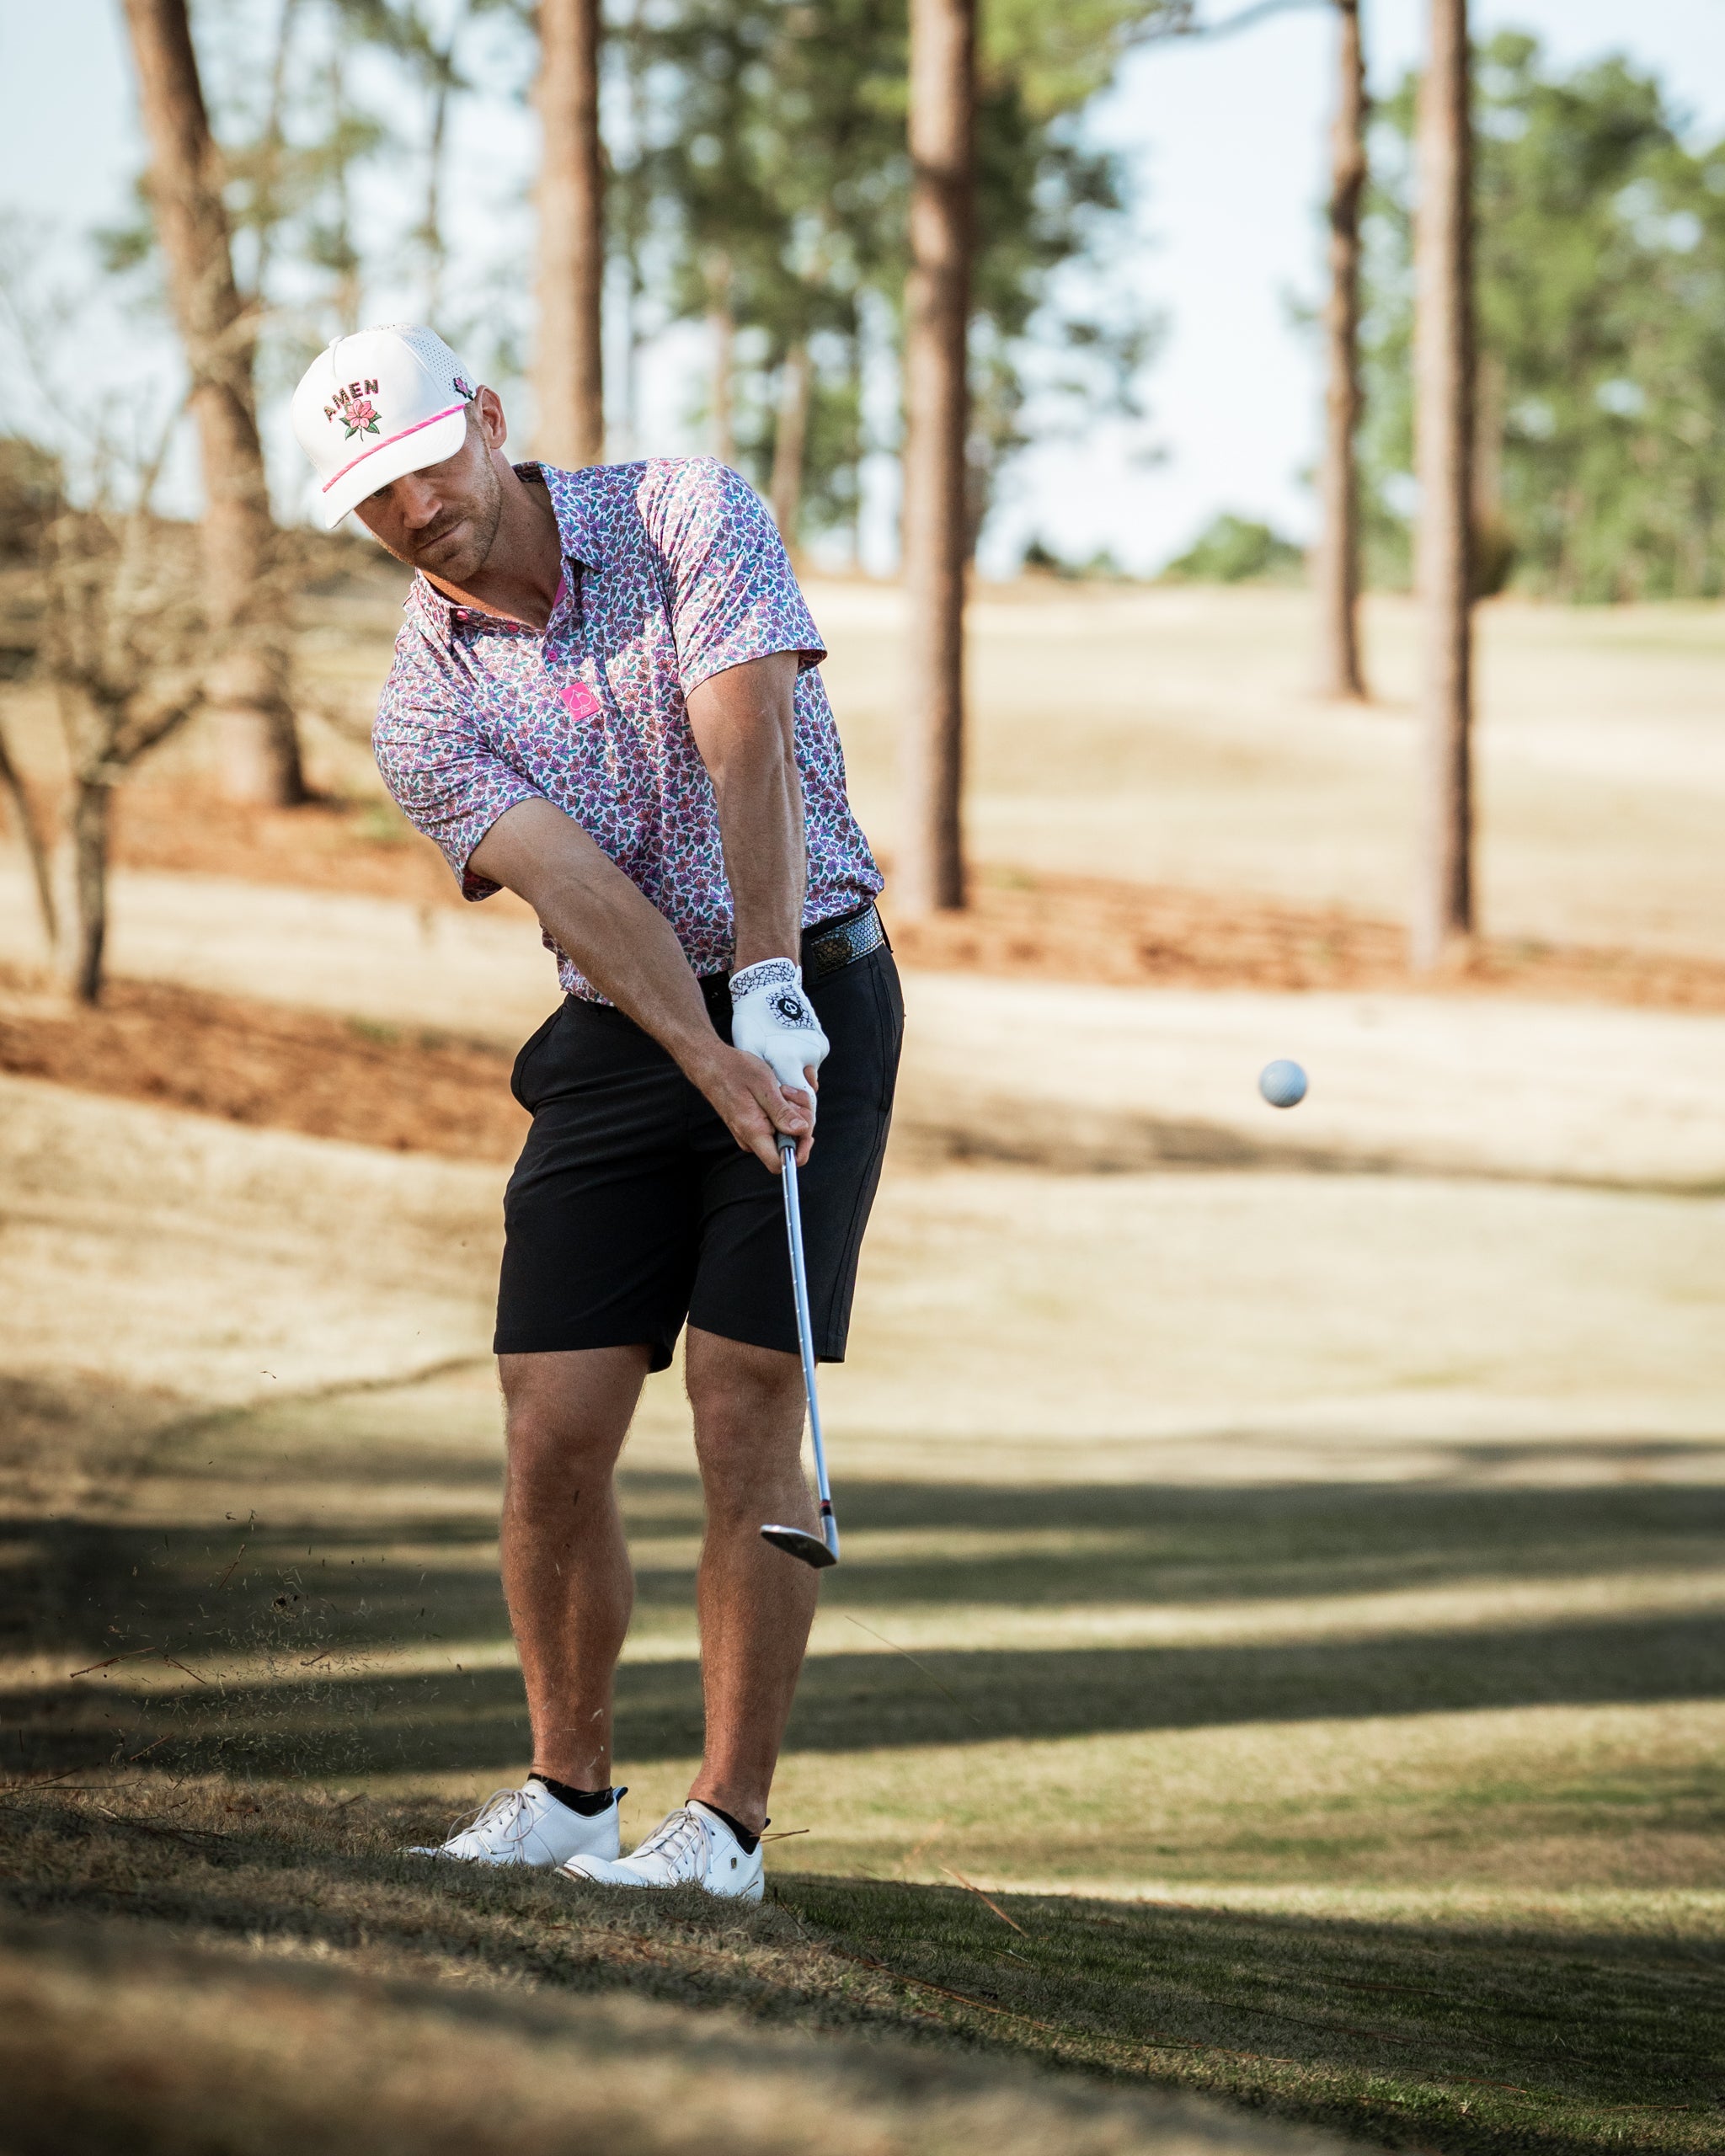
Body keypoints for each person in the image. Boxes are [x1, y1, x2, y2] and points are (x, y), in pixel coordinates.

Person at [291, 325, 901, 1899]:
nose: (415, 508)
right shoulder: (421, 711)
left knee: (746, 1401)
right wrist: (710, 1050)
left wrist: (770, 987)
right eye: (376, 495)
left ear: (488, 421)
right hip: (625, 1029)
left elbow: (744, 730)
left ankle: (727, 1831)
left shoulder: (688, 511)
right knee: (553, 1423)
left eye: (430, 461)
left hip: (814, 969)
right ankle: (570, 1792)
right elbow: (575, 884)